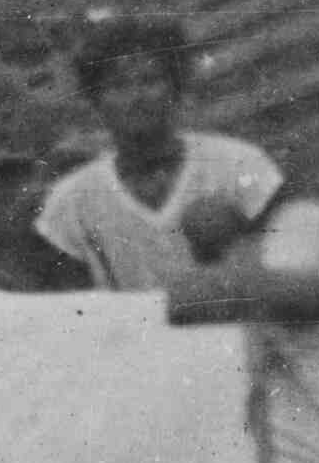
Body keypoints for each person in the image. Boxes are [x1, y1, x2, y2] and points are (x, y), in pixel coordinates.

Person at [32, 16, 285, 293]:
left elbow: (289, 259)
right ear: (96, 101)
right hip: (129, 335)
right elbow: (68, 311)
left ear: (175, 89)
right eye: (118, 86)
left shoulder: (237, 164)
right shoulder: (72, 200)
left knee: (209, 217)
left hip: (234, 327)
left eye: (150, 80)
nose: (136, 96)